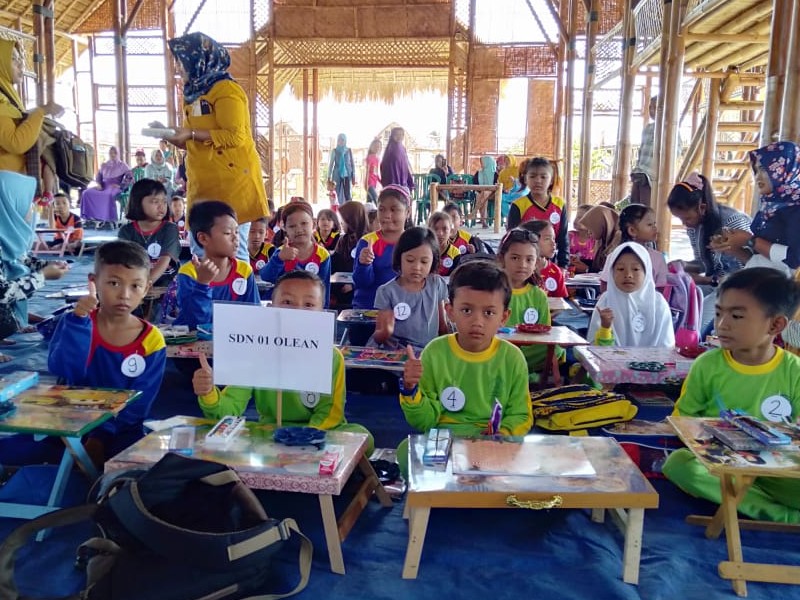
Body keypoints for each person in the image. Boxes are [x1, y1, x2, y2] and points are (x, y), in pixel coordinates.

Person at [663, 267, 800, 523]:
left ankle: (746, 498)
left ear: (776, 324)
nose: (722, 324)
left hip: (779, 471)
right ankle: (779, 515)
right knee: (679, 464)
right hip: (723, 466)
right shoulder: (707, 365)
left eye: (736, 316)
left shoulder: (795, 371)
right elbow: (683, 421)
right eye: (718, 313)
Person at [192, 270, 374, 452]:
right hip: (271, 432)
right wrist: (209, 393)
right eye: (287, 302)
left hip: (317, 432)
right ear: (271, 308)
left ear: (322, 312)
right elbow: (230, 409)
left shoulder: (331, 357)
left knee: (362, 436)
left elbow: (330, 414)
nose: (297, 311)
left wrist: (301, 439)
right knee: (232, 437)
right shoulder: (253, 351)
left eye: (309, 304)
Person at [396, 260, 533, 477]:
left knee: (528, 462)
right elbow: (425, 421)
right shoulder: (435, 352)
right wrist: (411, 391)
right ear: (450, 311)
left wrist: (501, 436)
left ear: (504, 317)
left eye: (489, 313)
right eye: (467, 310)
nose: (477, 322)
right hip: (445, 438)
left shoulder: (512, 358)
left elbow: (520, 414)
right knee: (406, 454)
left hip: (492, 441)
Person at [48, 240, 167, 464]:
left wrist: (101, 436)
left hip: (122, 430)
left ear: (146, 289)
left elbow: (140, 402)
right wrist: (78, 324)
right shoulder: (75, 323)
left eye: (135, 286)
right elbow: (65, 370)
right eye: (114, 283)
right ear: (93, 282)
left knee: (138, 468)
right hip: (70, 424)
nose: (124, 295)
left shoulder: (151, 340)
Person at [164, 32, 269, 260]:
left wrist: (191, 133)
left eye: (181, 61)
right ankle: (203, 285)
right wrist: (173, 136)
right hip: (202, 184)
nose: (178, 67)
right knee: (200, 250)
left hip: (231, 185)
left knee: (233, 252)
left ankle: (237, 286)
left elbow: (235, 136)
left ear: (200, 60)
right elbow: (195, 139)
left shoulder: (226, 90)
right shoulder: (192, 94)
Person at [667, 172, 752, 331]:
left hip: (741, 288)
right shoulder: (695, 228)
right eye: (681, 220)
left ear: (702, 208)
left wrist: (732, 250)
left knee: (698, 320)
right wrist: (684, 265)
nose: (685, 224)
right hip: (717, 285)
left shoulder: (732, 220)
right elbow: (704, 264)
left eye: (687, 218)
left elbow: (754, 261)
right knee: (682, 302)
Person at [0, 171, 65, 359]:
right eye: (27, 201)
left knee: (20, 273)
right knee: (15, 290)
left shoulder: (5, 237)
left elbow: (19, 259)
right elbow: (3, 293)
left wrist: (47, 265)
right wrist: (42, 276)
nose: (32, 208)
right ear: (9, 205)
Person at [173, 200, 259, 329]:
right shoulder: (189, 273)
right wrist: (202, 284)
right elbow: (195, 322)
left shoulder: (244, 271)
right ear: (203, 238)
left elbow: (254, 315)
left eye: (237, 232)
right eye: (227, 233)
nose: (236, 238)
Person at [0, 39, 63, 197]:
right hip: (6, 191)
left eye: (20, 59)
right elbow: (16, 143)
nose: (21, 65)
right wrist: (41, 111)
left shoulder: (9, 99)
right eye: (13, 59)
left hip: (13, 187)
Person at [371, 227, 448, 353]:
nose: (417, 267)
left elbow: (442, 327)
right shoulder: (387, 292)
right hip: (397, 353)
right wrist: (385, 332)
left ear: (433, 261)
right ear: (399, 258)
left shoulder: (436, 284)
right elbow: (378, 338)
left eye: (424, 262)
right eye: (410, 260)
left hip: (428, 352)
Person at [587, 242, 674, 347]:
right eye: (620, 269)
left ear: (646, 272)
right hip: (613, 358)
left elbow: (666, 344)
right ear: (612, 272)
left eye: (636, 269)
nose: (628, 275)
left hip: (654, 358)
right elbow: (595, 348)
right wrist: (605, 327)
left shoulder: (658, 303)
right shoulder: (605, 301)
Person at [497, 228, 555, 378]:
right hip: (498, 347)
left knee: (554, 349)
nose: (522, 265)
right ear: (502, 259)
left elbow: (546, 333)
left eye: (529, 260)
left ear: (536, 263)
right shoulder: (492, 291)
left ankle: (524, 374)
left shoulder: (539, 296)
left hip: (529, 350)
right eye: (515, 258)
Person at [261, 201, 331, 307]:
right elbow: (266, 276)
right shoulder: (282, 252)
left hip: (309, 309)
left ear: (314, 224)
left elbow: (324, 289)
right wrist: (279, 259)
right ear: (285, 228)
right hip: (284, 307)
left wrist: (323, 312)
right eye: (292, 226)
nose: (298, 229)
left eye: (304, 223)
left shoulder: (322, 255)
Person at [745, 141, 800, 273]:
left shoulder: (796, 208)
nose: (757, 176)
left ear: (786, 170)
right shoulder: (769, 205)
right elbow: (757, 258)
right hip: (758, 277)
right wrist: (732, 246)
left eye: (764, 169)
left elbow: (795, 260)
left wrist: (750, 240)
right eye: (756, 170)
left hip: (780, 284)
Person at [353, 186, 410, 309]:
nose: (387, 215)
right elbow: (361, 283)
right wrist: (363, 265)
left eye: (394, 210)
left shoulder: (414, 243)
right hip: (370, 308)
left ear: (407, 212)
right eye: (382, 209)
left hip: (403, 309)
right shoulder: (367, 242)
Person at [118, 179, 180, 289]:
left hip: (167, 285)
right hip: (136, 283)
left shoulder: (170, 229)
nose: (161, 207)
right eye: (155, 202)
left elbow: (164, 261)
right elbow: (125, 263)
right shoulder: (126, 231)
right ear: (138, 203)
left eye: (164, 202)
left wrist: (144, 285)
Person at [507, 158, 569, 268]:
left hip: (551, 262)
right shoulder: (518, 205)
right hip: (525, 264)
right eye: (532, 176)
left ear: (551, 180)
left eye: (543, 177)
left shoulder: (559, 205)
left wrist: (563, 266)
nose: (538, 181)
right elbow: (512, 239)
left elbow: (563, 238)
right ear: (525, 179)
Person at [618, 203, 668, 290]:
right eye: (649, 225)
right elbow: (662, 289)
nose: (655, 228)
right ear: (632, 230)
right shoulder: (657, 258)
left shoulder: (615, 254)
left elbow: (605, 284)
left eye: (654, 224)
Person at [331, 201, 368, 308]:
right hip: (340, 288)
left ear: (352, 220)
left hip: (359, 294)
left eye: (343, 220)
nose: (341, 223)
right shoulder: (343, 239)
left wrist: (353, 285)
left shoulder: (367, 241)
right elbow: (335, 263)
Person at [81, 147, 131, 224]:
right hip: (103, 186)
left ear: (118, 154)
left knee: (108, 195)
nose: (112, 154)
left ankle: (108, 219)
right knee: (86, 193)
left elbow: (130, 177)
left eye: (115, 153)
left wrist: (121, 185)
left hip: (114, 186)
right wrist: (99, 184)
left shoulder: (123, 165)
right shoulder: (104, 165)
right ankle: (90, 217)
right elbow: (99, 176)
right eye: (111, 153)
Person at [520, 220, 568, 298]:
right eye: (547, 239)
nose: (553, 243)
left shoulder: (555, 271)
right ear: (531, 240)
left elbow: (561, 301)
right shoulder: (520, 270)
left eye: (553, 238)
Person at [576, 204, 621, 273]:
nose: (589, 232)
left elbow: (610, 271)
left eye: (591, 228)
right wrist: (579, 261)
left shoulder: (618, 240)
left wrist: (587, 269)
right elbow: (597, 266)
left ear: (601, 224)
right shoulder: (603, 240)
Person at [630, 96, 657, 208]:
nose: (652, 110)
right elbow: (641, 152)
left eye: (655, 107)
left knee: (646, 209)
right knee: (634, 206)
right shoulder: (647, 128)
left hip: (652, 178)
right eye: (650, 107)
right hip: (640, 173)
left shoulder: (669, 129)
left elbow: (676, 152)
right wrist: (637, 168)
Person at [428, 211, 461, 277]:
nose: (440, 233)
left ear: (450, 231)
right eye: (435, 229)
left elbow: (454, 278)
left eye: (445, 229)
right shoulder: (424, 250)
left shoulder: (455, 253)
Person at [568, 204, 597, 274]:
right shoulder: (570, 236)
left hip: (587, 274)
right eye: (576, 217)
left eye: (581, 217)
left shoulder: (595, 240)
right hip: (570, 271)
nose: (576, 220)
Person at [328, 133, 356, 204]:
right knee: (336, 193)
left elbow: (352, 164)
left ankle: (349, 208)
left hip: (347, 174)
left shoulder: (349, 150)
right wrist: (329, 177)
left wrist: (353, 176)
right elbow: (331, 165)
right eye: (339, 140)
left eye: (342, 140)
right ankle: (336, 208)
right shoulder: (335, 151)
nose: (341, 141)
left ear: (345, 141)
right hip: (337, 174)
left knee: (348, 194)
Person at [471, 155, 497, 227]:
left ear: (488, 162)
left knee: (484, 194)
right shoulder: (479, 173)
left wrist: (486, 190)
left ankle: (475, 212)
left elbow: (496, 187)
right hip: (481, 193)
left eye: (483, 162)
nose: (481, 163)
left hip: (493, 195)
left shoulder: (495, 174)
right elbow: (475, 185)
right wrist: (482, 190)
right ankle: (483, 220)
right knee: (483, 195)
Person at [365, 138, 382, 204]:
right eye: (375, 146)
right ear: (372, 147)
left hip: (374, 183)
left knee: (369, 202)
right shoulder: (369, 157)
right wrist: (366, 183)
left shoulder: (377, 159)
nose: (377, 148)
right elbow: (367, 171)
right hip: (370, 183)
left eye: (379, 147)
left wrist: (381, 181)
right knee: (376, 199)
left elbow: (376, 173)